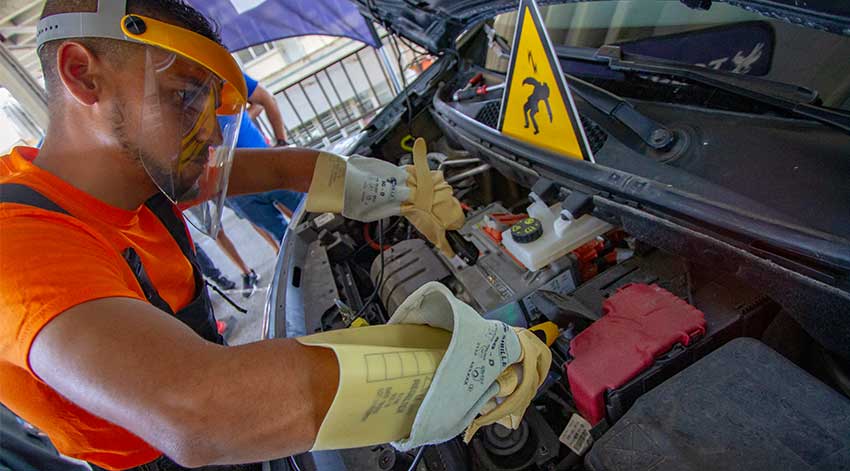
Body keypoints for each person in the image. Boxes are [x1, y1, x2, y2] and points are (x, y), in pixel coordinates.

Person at [0, 2, 550, 471]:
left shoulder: (131, 175)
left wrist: (394, 187)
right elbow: (200, 409)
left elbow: (288, 168)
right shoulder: (19, 245)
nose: (212, 132)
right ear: (82, 74)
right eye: (184, 97)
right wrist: (466, 367)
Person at [223, 72, 304, 252]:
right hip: (236, 190)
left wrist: (281, 142)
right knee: (287, 240)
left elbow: (266, 99)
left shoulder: (222, 73)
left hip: (267, 168)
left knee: (315, 212)